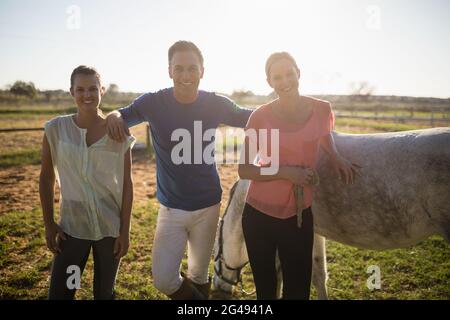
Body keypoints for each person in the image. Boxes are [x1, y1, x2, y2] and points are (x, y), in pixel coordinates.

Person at [105, 41, 253, 299]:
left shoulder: (215, 103)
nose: (186, 75)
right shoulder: (153, 102)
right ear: (170, 71)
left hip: (208, 205)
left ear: (202, 72)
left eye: (192, 68)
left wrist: (288, 112)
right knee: (163, 278)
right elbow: (123, 114)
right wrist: (114, 115)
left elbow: (250, 117)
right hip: (171, 208)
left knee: (198, 274)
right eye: (179, 68)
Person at [238, 52, 361, 300]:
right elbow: (245, 169)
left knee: (298, 292)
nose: (284, 81)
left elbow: (323, 134)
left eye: (289, 74)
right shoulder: (259, 117)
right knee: (266, 292)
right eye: (277, 77)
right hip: (258, 216)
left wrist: (335, 157)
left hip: (299, 216)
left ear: (298, 73)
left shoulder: (321, 109)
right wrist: (287, 172)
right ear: (269, 82)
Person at [39, 65, 135, 300]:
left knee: (103, 294)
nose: (87, 95)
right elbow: (46, 176)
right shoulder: (56, 130)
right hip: (72, 229)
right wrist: (49, 223)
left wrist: (125, 230)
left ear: (102, 90)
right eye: (80, 89)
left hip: (109, 229)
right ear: (71, 92)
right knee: (63, 292)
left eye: (93, 88)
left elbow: (127, 183)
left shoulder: (118, 133)